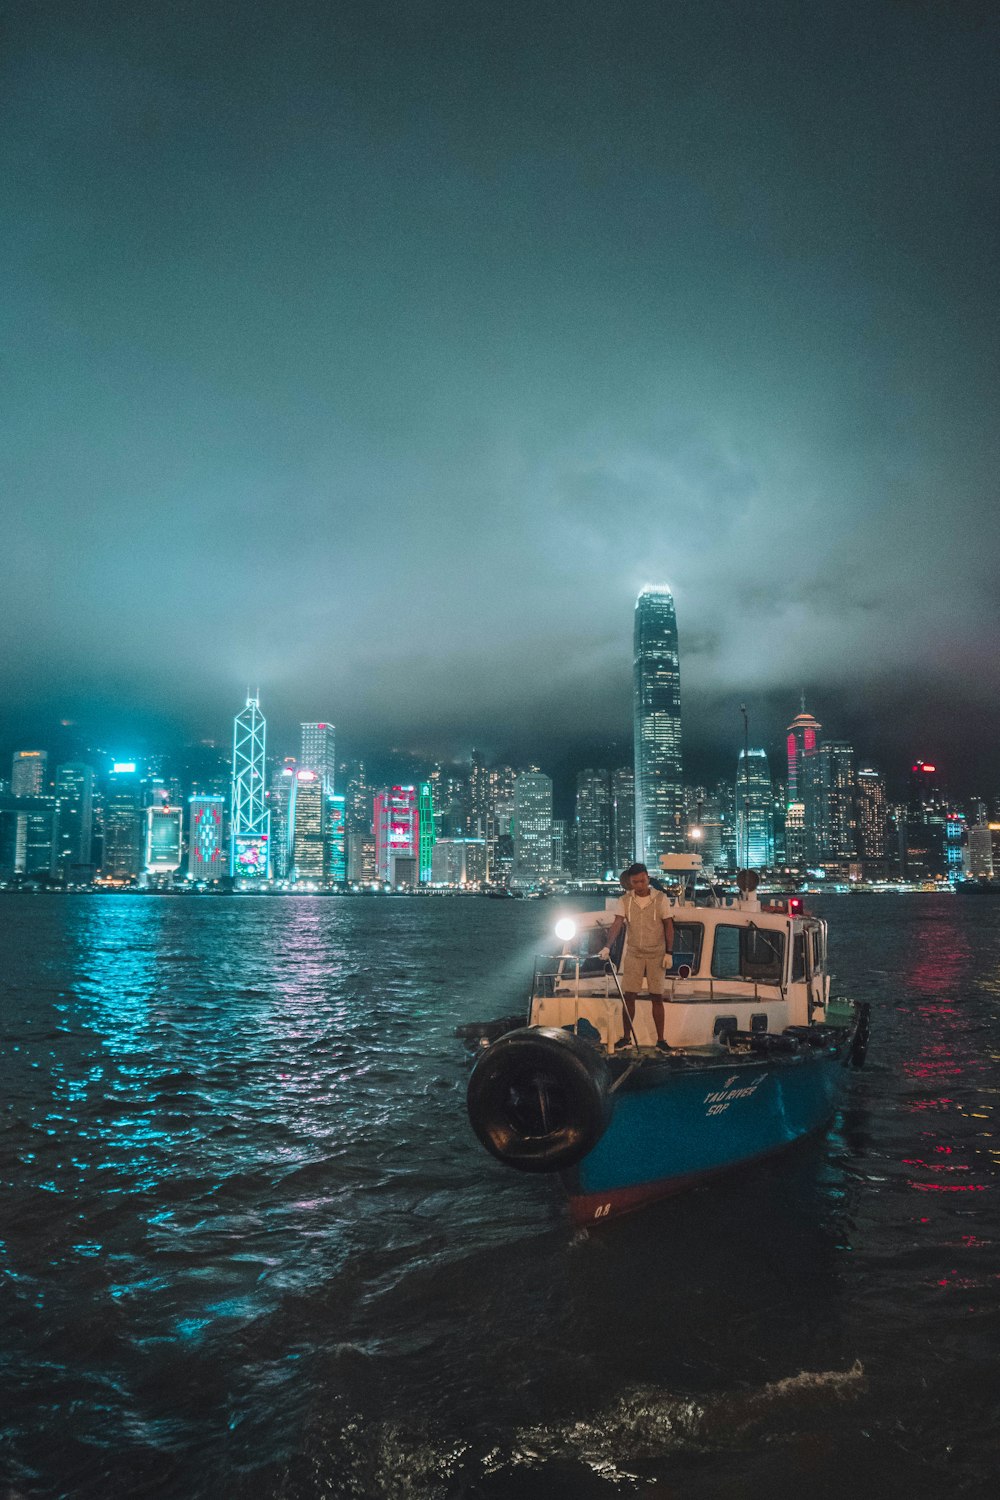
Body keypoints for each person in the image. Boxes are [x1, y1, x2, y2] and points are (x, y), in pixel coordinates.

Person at [598, 863, 674, 1051]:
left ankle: (661, 1040)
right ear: (630, 882)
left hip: (657, 952)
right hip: (634, 953)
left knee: (657, 996)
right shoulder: (625, 900)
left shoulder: (661, 898)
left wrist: (669, 952)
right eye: (635, 882)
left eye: (642, 880)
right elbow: (617, 923)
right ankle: (626, 1037)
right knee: (629, 995)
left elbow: (668, 925)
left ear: (648, 878)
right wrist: (607, 946)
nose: (639, 885)